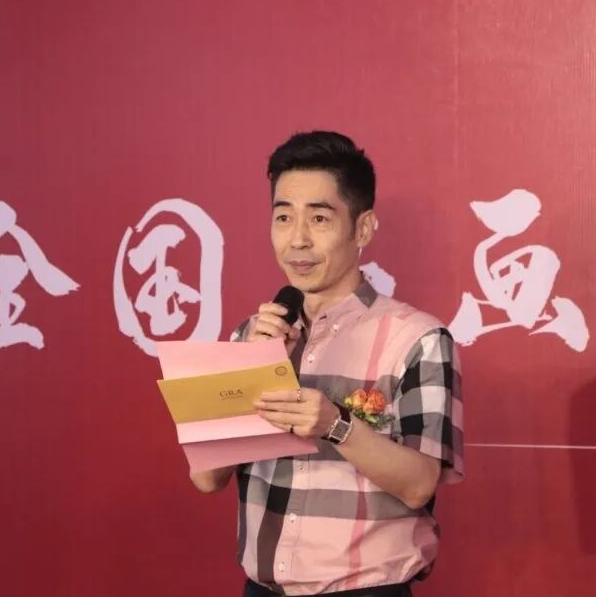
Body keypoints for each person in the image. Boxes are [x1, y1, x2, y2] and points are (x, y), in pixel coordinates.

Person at [190, 131, 464, 596]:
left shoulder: (417, 339)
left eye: (319, 218)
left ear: (363, 229)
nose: (297, 239)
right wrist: (250, 367)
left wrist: (336, 425)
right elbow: (205, 477)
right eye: (283, 217)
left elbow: (420, 484)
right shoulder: (251, 335)